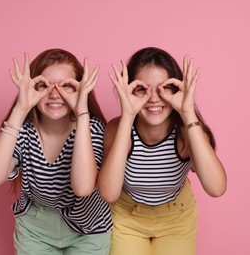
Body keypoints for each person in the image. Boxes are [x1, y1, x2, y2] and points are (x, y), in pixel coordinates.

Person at [97, 47, 227, 255]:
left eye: (164, 88)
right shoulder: (117, 129)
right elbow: (109, 193)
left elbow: (216, 187)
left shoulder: (188, 132)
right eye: (142, 89)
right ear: (128, 90)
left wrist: (188, 113)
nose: (154, 98)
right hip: (127, 217)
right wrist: (128, 116)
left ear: (177, 90)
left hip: (177, 217)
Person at [0, 48, 112, 255]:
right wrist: (20, 109)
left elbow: (83, 188)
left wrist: (82, 113)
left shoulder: (93, 128)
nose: (54, 94)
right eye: (43, 85)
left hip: (88, 228)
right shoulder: (21, 129)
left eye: (66, 86)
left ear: (81, 89)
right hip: (35, 227)